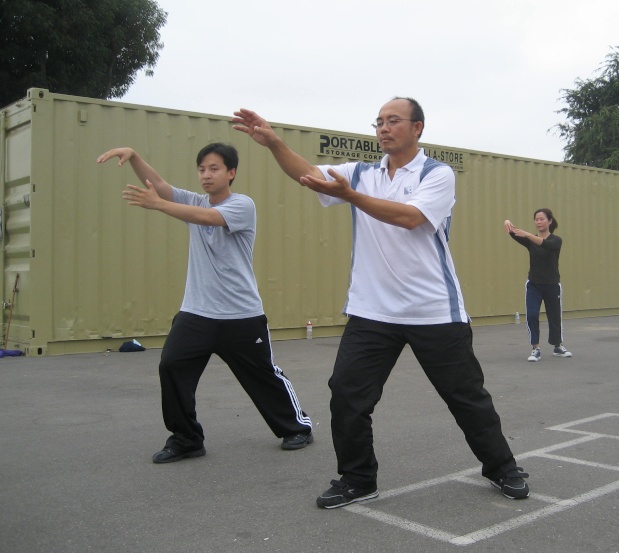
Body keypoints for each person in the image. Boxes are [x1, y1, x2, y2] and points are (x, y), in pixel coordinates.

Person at [232, 98, 530, 508]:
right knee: (347, 394)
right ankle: (357, 478)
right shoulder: (362, 173)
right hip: (372, 311)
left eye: (394, 121)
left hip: (434, 311)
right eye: (379, 122)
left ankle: (502, 467)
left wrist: (351, 196)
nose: (384, 129)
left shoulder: (437, 174)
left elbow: (409, 217)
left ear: (418, 128)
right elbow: (310, 175)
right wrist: (273, 143)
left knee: (466, 397)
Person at [96, 143, 313, 463]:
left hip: (241, 314)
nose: (206, 175)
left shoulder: (242, 205)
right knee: (171, 366)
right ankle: (186, 439)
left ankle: (297, 428)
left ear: (231, 173)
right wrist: (135, 157)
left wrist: (159, 205)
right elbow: (160, 187)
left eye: (214, 169)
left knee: (263, 374)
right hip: (197, 312)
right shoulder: (192, 201)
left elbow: (207, 217)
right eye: (201, 169)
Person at [503, 210, 572, 362]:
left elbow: (545, 244)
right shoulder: (530, 240)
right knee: (532, 314)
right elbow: (514, 233)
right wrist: (508, 223)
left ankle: (557, 346)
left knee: (554, 316)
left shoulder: (556, 241)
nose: (538, 222)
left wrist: (528, 235)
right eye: (536, 219)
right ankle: (535, 348)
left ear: (550, 221)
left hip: (552, 285)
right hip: (534, 285)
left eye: (542, 219)